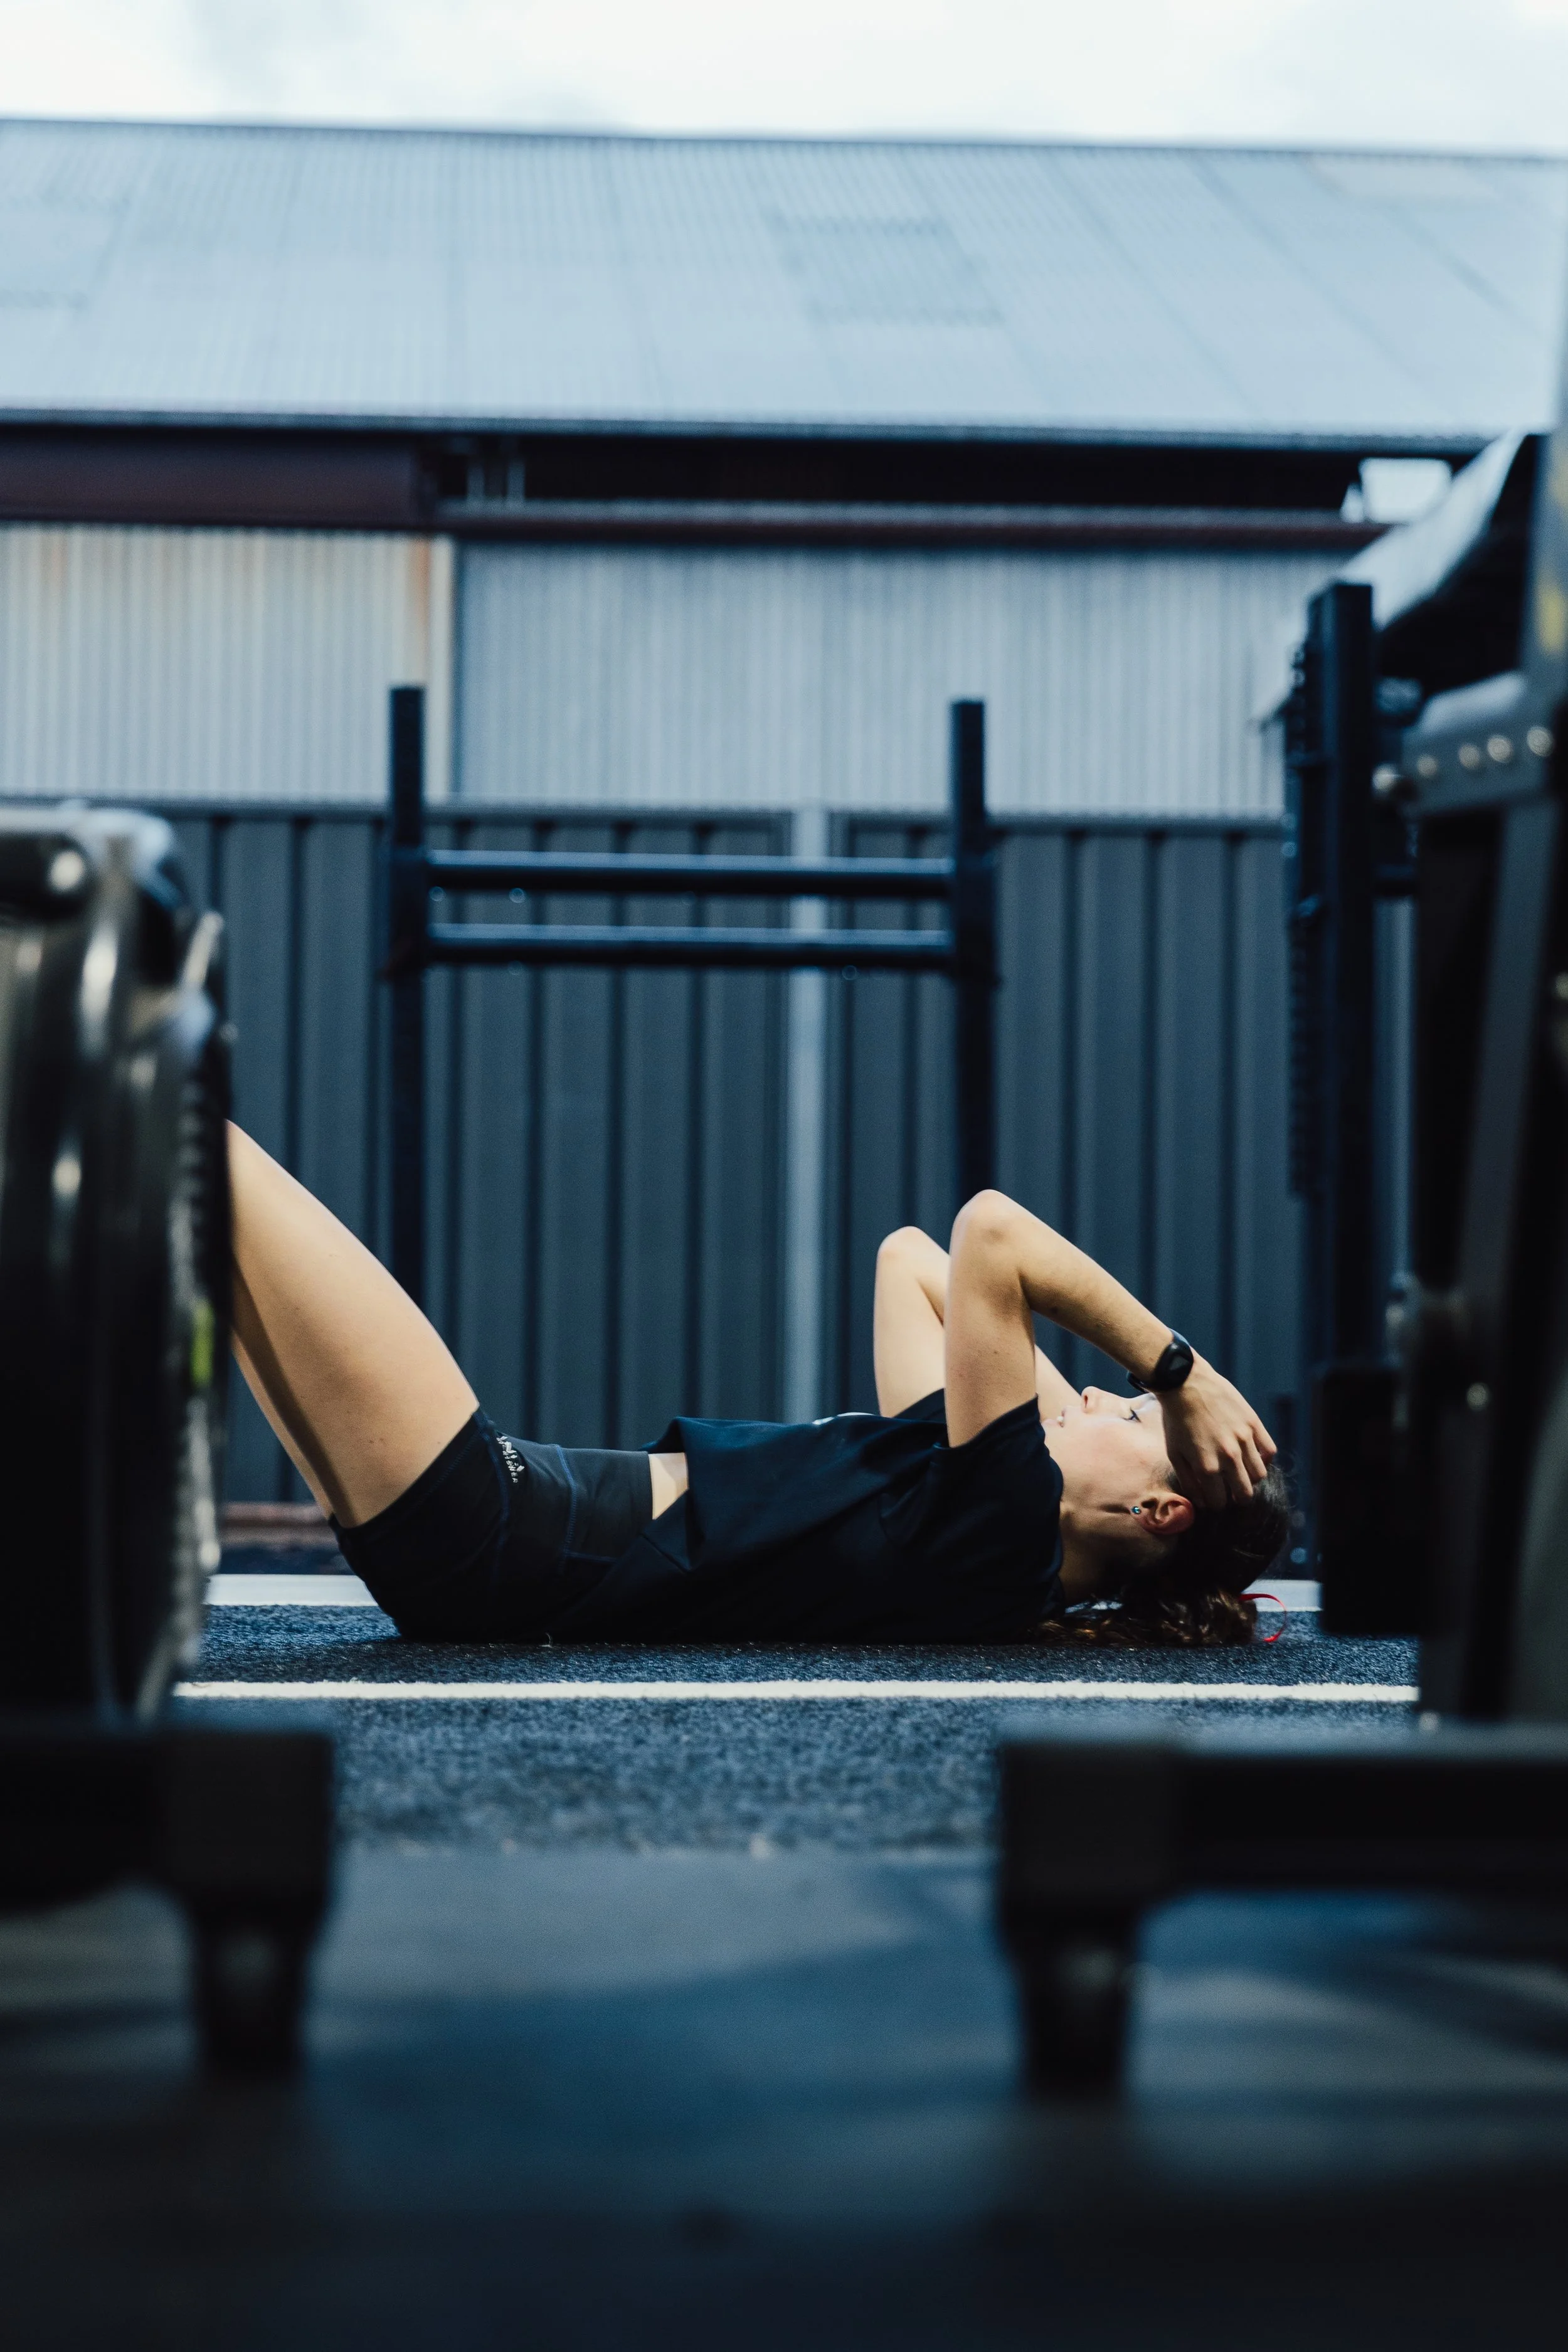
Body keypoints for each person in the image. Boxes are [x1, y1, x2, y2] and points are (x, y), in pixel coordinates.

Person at [226, 1123, 1288, 1650]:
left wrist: (1177, 1370)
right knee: (197, 1195)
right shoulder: (968, 1502)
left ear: (1160, 1508)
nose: (1097, 1399)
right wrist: (1103, 1417)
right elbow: (913, 1260)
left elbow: (992, 1231)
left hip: (503, 1528)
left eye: (1132, 1415)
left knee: (202, 1144)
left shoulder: (1002, 1529)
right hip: (496, 1542)